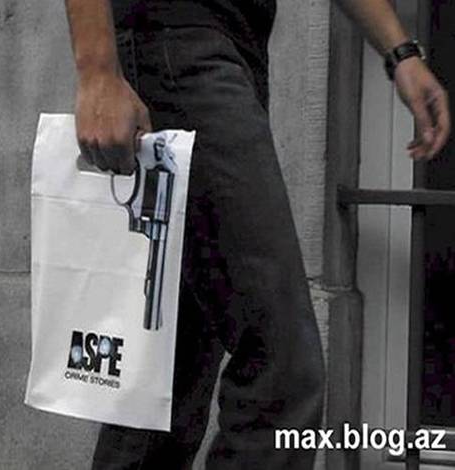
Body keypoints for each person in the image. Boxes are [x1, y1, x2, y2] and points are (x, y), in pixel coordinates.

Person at [64, 1, 451, 468]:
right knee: (281, 371)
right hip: (178, 46)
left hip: (223, 51)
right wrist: (97, 71)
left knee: (166, 384)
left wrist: (400, 52)